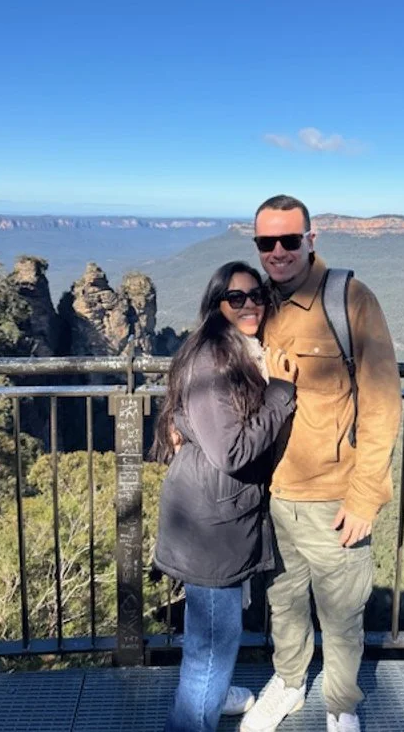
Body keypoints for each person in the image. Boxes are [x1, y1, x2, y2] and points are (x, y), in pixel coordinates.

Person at [240, 195, 401, 732]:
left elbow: (381, 402)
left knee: (342, 616)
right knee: (283, 604)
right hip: (271, 494)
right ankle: (287, 685)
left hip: (334, 499)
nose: (278, 251)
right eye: (267, 242)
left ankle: (339, 707)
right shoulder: (257, 304)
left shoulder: (350, 299)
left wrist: (366, 494)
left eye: (290, 240)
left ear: (312, 239)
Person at [153, 260, 297, 732]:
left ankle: (211, 692)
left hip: (211, 517)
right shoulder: (214, 359)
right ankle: (198, 710)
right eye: (237, 298)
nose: (251, 304)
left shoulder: (234, 350)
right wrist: (281, 393)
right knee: (212, 645)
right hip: (210, 526)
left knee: (207, 639)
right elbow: (232, 451)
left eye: (258, 295)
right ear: (218, 304)